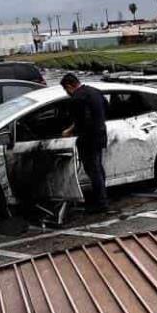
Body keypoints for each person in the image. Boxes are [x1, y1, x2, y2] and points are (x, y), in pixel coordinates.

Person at [60, 73, 109, 212]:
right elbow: (106, 107)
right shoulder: (95, 91)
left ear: (69, 86)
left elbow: (82, 121)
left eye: (66, 90)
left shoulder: (77, 99)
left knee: (93, 171)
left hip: (88, 139)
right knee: (98, 168)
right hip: (100, 135)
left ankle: (101, 203)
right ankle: (102, 198)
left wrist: (70, 131)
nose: (67, 93)